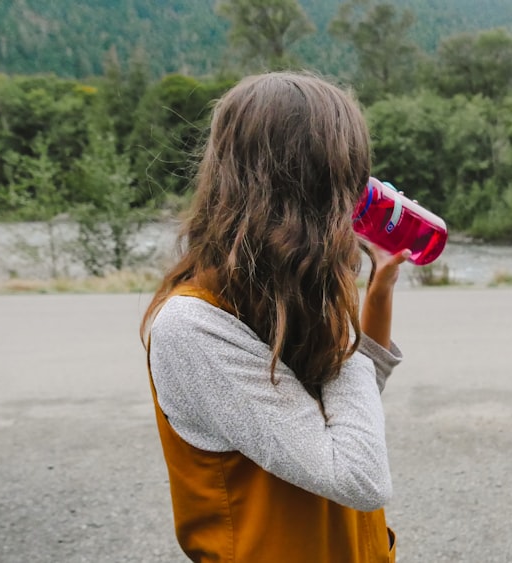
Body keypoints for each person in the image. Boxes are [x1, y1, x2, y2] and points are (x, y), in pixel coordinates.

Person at [140, 72, 406, 562]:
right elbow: (358, 472)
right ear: (307, 190)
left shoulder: (281, 290)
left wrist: (377, 293)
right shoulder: (192, 328)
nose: (357, 197)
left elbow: (345, 414)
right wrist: (338, 293)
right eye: (345, 179)